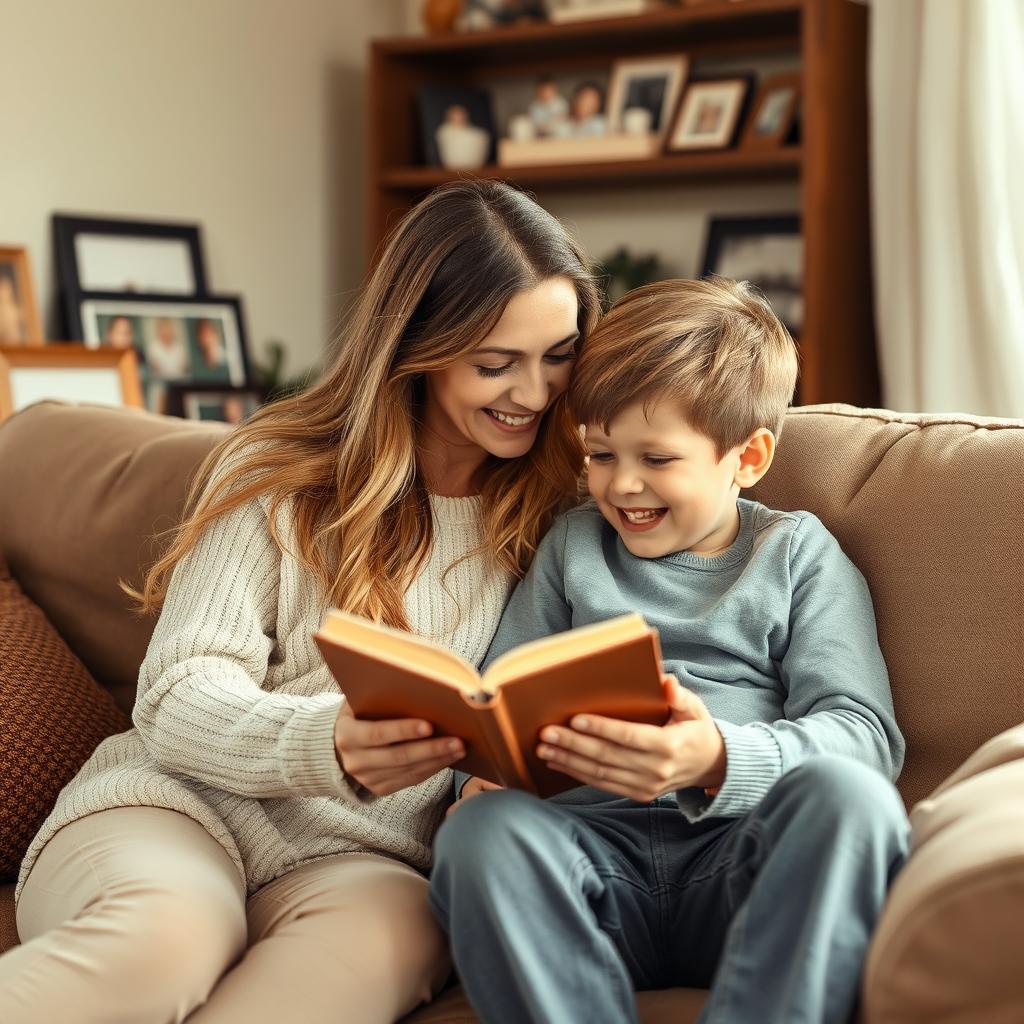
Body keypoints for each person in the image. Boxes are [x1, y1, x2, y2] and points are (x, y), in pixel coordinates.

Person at [0, 179, 601, 1024]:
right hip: (174, 809)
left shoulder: (566, 513)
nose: (533, 395)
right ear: (416, 347)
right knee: (168, 939)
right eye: (494, 363)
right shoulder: (281, 476)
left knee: (378, 951)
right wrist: (329, 743)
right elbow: (175, 692)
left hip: (367, 867)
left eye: (558, 355)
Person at [430, 277, 910, 1024]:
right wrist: (480, 781)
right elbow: (499, 697)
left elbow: (864, 737)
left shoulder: (796, 555)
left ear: (746, 458)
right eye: (599, 454)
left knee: (853, 800)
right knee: (480, 834)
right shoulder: (571, 547)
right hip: (588, 862)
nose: (622, 486)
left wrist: (714, 756)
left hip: (741, 862)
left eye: (657, 459)